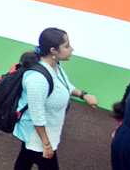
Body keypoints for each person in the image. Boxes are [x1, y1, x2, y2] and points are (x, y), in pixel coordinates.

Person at [12, 28, 99, 170]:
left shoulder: (54, 66)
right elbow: (37, 115)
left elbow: (63, 84)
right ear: (53, 50)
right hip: (37, 136)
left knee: (25, 159)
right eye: (67, 46)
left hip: (40, 133)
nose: (72, 49)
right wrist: (46, 145)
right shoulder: (38, 79)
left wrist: (82, 95)